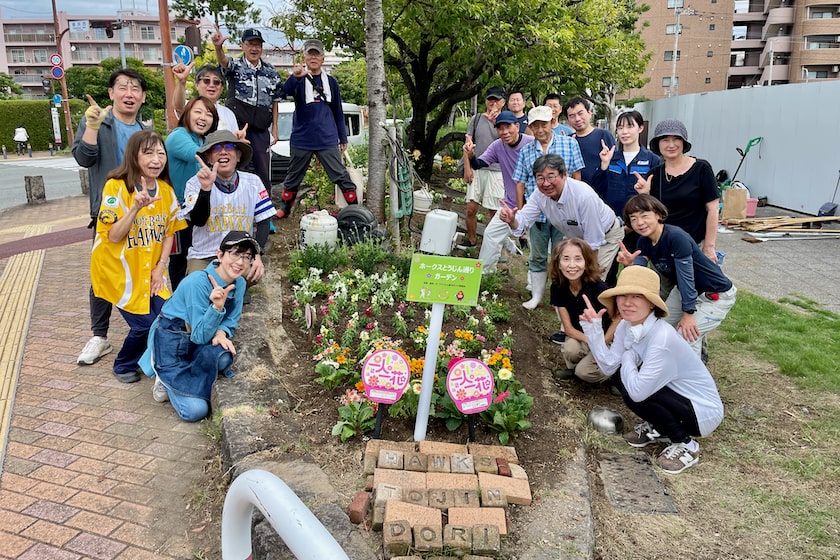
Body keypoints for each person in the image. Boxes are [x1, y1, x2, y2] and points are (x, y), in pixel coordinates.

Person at [580, 265, 724, 474]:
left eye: (637, 296)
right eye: (622, 296)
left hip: (701, 411)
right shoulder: (625, 326)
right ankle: (660, 427)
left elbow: (638, 393)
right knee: (621, 378)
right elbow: (609, 366)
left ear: (651, 304)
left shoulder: (661, 337)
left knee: (632, 387)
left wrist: (628, 355)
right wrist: (593, 330)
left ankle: (686, 444)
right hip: (676, 397)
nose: (627, 303)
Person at [90, 130, 187, 383]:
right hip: (119, 273)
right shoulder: (116, 186)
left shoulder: (165, 190)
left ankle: (156, 361)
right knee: (145, 325)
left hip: (150, 272)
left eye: (161, 153)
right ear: (134, 156)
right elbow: (112, 235)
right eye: (148, 153)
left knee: (169, 317)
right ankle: (123, 364)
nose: (156, 159)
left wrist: (160, 267)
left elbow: (170, 232)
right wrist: (135, 207)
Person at [73, 68, 149, 366]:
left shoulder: (143, 130)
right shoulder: (98, 122)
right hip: (107, 211)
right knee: (102, 272)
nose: (129, 94)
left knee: (141, 265)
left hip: (143, 210)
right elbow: (84, 158)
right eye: (123, 88)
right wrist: (92, 124)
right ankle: (100, 335)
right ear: (111, 93)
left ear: (142, 97)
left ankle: (143, 328)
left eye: (135, 89)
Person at [140, 231, 255, 421]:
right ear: (220, 255)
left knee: (224, 358)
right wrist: (217, 307)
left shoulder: (239, 283)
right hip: (174, 339)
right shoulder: (196, 283)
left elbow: (232, 319)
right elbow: (199, 336)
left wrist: (221, 332)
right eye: (235, 253)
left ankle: (186, 381)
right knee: (195, 412)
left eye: (247, 257)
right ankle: (165, 378)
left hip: (202, 335)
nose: (241, 262)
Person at [617, 194, 737, 358]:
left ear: (658, 214)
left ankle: (692, 380)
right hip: (684, 292)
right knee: (659, 330)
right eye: (634, 218)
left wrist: (688, 314)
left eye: (645, 215)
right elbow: (639, 275)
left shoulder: (675, 237)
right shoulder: (644, 242)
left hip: (715, 294)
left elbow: (686, 278)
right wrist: (629, 265)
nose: (640, 222)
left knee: (685, 335)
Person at [502, 153, 623, 283]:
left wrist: (586, 271)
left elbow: (593, 242)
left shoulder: (584, 196)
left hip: (605, 236)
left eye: (551, 177)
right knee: (567, 275)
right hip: (576, 236)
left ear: (564, 174)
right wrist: (512, 220)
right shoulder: (539, 196)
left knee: (593, 279)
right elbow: (522, 222)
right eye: (540, 178)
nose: (546, 183)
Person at [275, 38, 359, 218]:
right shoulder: (298, 80)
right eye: (310, 54)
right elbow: (283, 93)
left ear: (322, 58)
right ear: (304, 57)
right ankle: (285, 209)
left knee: (340, 175)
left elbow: (337, 110)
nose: (313, 57)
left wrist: (342, 138)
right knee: (293, 177)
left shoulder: (332, 82)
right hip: (302, 138)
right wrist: (294, 77)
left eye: (317, 54)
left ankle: (355, 209)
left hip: (326, 138)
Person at [180, 130, 274, 288]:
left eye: (229, 147)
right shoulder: (194, 183)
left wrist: (258, 254)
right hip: (205, 255)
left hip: (239, 255)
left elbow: (264, 222)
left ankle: (235, 289)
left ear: (238, 156)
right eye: (216, 148)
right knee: (195, 285)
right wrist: (205, 190)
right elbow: (197, 221)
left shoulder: (253, 182)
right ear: (209, 157)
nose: (223, 152)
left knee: (252, 275)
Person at [511, 110, 585, 310]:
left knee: (563, 257)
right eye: (535, 125)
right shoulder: (526, 150)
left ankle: (560, 298)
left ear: (552, 122)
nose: (540, 129)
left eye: (544, 124)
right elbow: (520, 182)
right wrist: (521, 213)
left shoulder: (569, 144)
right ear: (531, 127)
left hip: (565, 213)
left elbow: (577, 175)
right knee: (537, 256)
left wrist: (576, 207)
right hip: (538, 214)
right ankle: (536, 297)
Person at [634, 119, 719, 263]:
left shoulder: (701, 169)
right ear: (658, 145)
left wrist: (709, 247)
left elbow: (713, 209)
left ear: (684, 143)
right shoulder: (655, 174)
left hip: (694, 246)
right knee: (661, 286)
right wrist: (645, 195)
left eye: (676, 139)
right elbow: (653, 214)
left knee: (690, 285)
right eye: (665, 140)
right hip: (663, 247)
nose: (671, 145)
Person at [590, 110, 660, 285]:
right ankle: (606, 309)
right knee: (606, 273)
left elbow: (657, 198)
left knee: (636, 273)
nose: (624, 132)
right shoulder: (612, 157)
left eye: (630, 126)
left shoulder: (652, 160)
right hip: (612, 225)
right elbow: (598, 191)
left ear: (640, 128)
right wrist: (604, 165)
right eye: (620, 127)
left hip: (640, 228)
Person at [212, 27, 284, 192]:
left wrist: (274, 128)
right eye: (250, 44)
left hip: (260, 129)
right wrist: (218, 47)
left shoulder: (271, 72)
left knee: (262, 170)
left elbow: (275, 101)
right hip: (237, 128)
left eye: (258, 45)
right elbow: (223, 62)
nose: (254, 48)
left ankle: (265, 211)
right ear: (242, 46)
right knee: (236, 168)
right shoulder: (235, 65)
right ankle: (236, 203)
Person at [463, 110, 534, 273]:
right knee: (490, 233)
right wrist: (471, 155)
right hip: (510, 203)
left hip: (534, 204)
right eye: (500, 128)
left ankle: (534, 286)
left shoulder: (531, 143)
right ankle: (486, 273)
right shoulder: (497, 146)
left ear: (517, 126)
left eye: (508, 127)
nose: (504, 132)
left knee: (538, 246)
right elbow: (479, 164)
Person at [165, 96, 219, 288]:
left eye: (209, 114)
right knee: (180, 260)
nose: (203, 117)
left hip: (194, 211)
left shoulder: (202, 138)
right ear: (186, 114)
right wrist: (229, 147)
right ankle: (179, 305)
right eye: (198, 111)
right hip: (178, 213)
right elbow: (201, 155)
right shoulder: (178, 135)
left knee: (193, 257)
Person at [548, 238, 617, 383]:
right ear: (558, 264)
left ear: (586, 263)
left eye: (578, 259)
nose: (572, 265)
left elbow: (617, 319)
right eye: (566, 259)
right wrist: (592, 343)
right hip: (583, 337)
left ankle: (615, 373)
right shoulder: (558, 287)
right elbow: (568, 328)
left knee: (584, 373)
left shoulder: (600, 289)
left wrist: (601, 345)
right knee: (570, 349)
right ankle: (578, 368)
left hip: (606, 339)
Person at [459, 86, 506, 249]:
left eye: (496, 100)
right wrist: (467, 168)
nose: (492, 103)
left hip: (497, 171)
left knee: (494, 212)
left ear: (502, 102)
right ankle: (472, 241)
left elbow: (509, 142)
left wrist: (496, 122)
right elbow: (468, 144)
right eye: (490, 99)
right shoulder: (477, 118)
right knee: (471, 209)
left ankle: (493, 246)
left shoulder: (506, 120)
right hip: (477, 169)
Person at [172, 63, 243, 135]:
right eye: (206, 81)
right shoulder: (190, 106)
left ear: (222, 88)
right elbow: (179, 106)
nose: (211, 85)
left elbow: (234, 140)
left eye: (216, 82)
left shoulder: (228, 114)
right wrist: (181, 82)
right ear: (196, 84)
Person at [563, 96, 616, 187]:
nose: (577, 119)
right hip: (575, 193)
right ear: (568, 121)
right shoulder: (568, 141)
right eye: (572, 116)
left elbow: (615, 164)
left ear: (589, 113)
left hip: (602, 192)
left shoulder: (604, 135)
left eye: (580, 113)